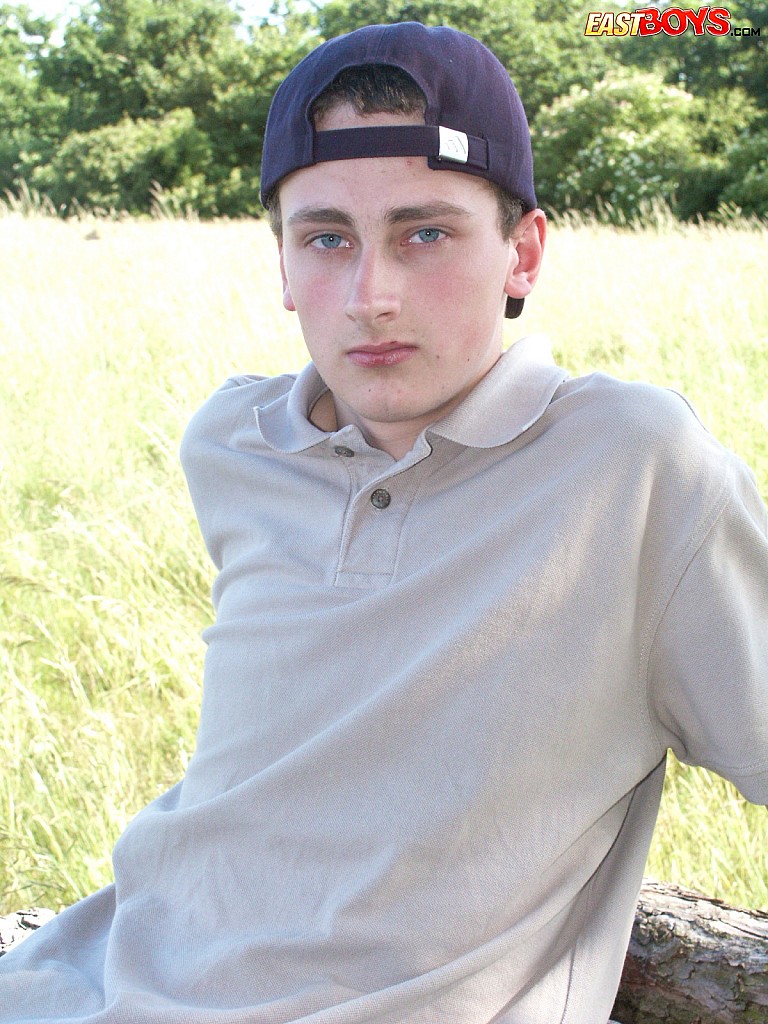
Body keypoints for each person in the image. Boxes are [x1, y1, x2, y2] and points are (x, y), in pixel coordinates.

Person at [1, 21, 766, 1024]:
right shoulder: (236, 443)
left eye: (425, 234)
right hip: (80, 985)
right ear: (283, 265)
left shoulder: (632, 464)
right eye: (326, 238)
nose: (372, 296)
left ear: (523, 254)